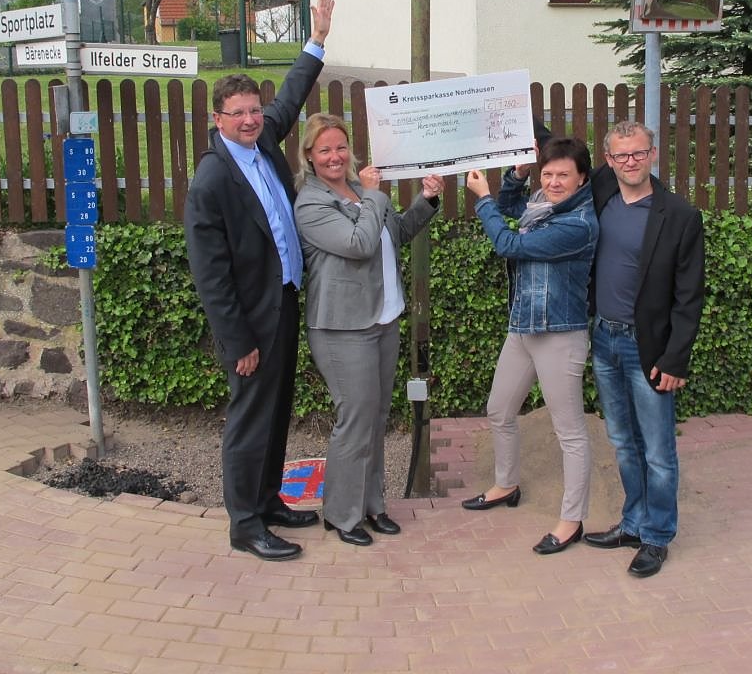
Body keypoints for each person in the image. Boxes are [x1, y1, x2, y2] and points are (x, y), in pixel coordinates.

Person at [183, 0, 334, 562]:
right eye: (238, 114)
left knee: (277, 409)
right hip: (250, 322)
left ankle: (269, 500)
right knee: (249, 420)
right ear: (217, 120)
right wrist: (238, 341)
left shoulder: (264, 140)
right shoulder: (212, 181)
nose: (250, 119)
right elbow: (211, 275)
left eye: (253, 110)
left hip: (284, 302)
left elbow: (291, 97)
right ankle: (245, 524)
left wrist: (316, 41)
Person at [294, 113, 443, 546]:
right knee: (356, 420)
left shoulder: (361, 191)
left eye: (341, 147)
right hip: (343, 327)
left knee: (376, 418)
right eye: (325, 149)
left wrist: (427, 200)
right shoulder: (311, 203)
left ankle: (373, 505)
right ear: (309, 155)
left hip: (382, 319)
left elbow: (394, 233)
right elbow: (358, 244)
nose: (335, 156)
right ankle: (342, 515)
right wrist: (375, 195)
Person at [461, 137, 599, 555]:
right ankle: (506, 485)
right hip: (523, 327)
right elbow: (511, 206)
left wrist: (481, 197)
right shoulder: (541, 205)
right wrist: (517, 175)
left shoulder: (578, 224)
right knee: (500, 410)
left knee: (569, 432)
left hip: (559, 334)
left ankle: (571, 520)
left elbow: (509, 243)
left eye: (563, 175)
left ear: (582, 179)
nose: (554, 182)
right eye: (548, 173)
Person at [583, 120, 705, 579]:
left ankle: (657, 536)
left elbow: (689, 296)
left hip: (647, 347)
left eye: (639, 153)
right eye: (621, 155)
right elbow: (559, 149)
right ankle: (633, 523)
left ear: (653, 154)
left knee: (657, 451)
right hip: (604, 340)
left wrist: (675, 358)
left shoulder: (679, 215)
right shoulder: (602, 195)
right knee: (622, 442)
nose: (630, 162)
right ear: (608, 160)